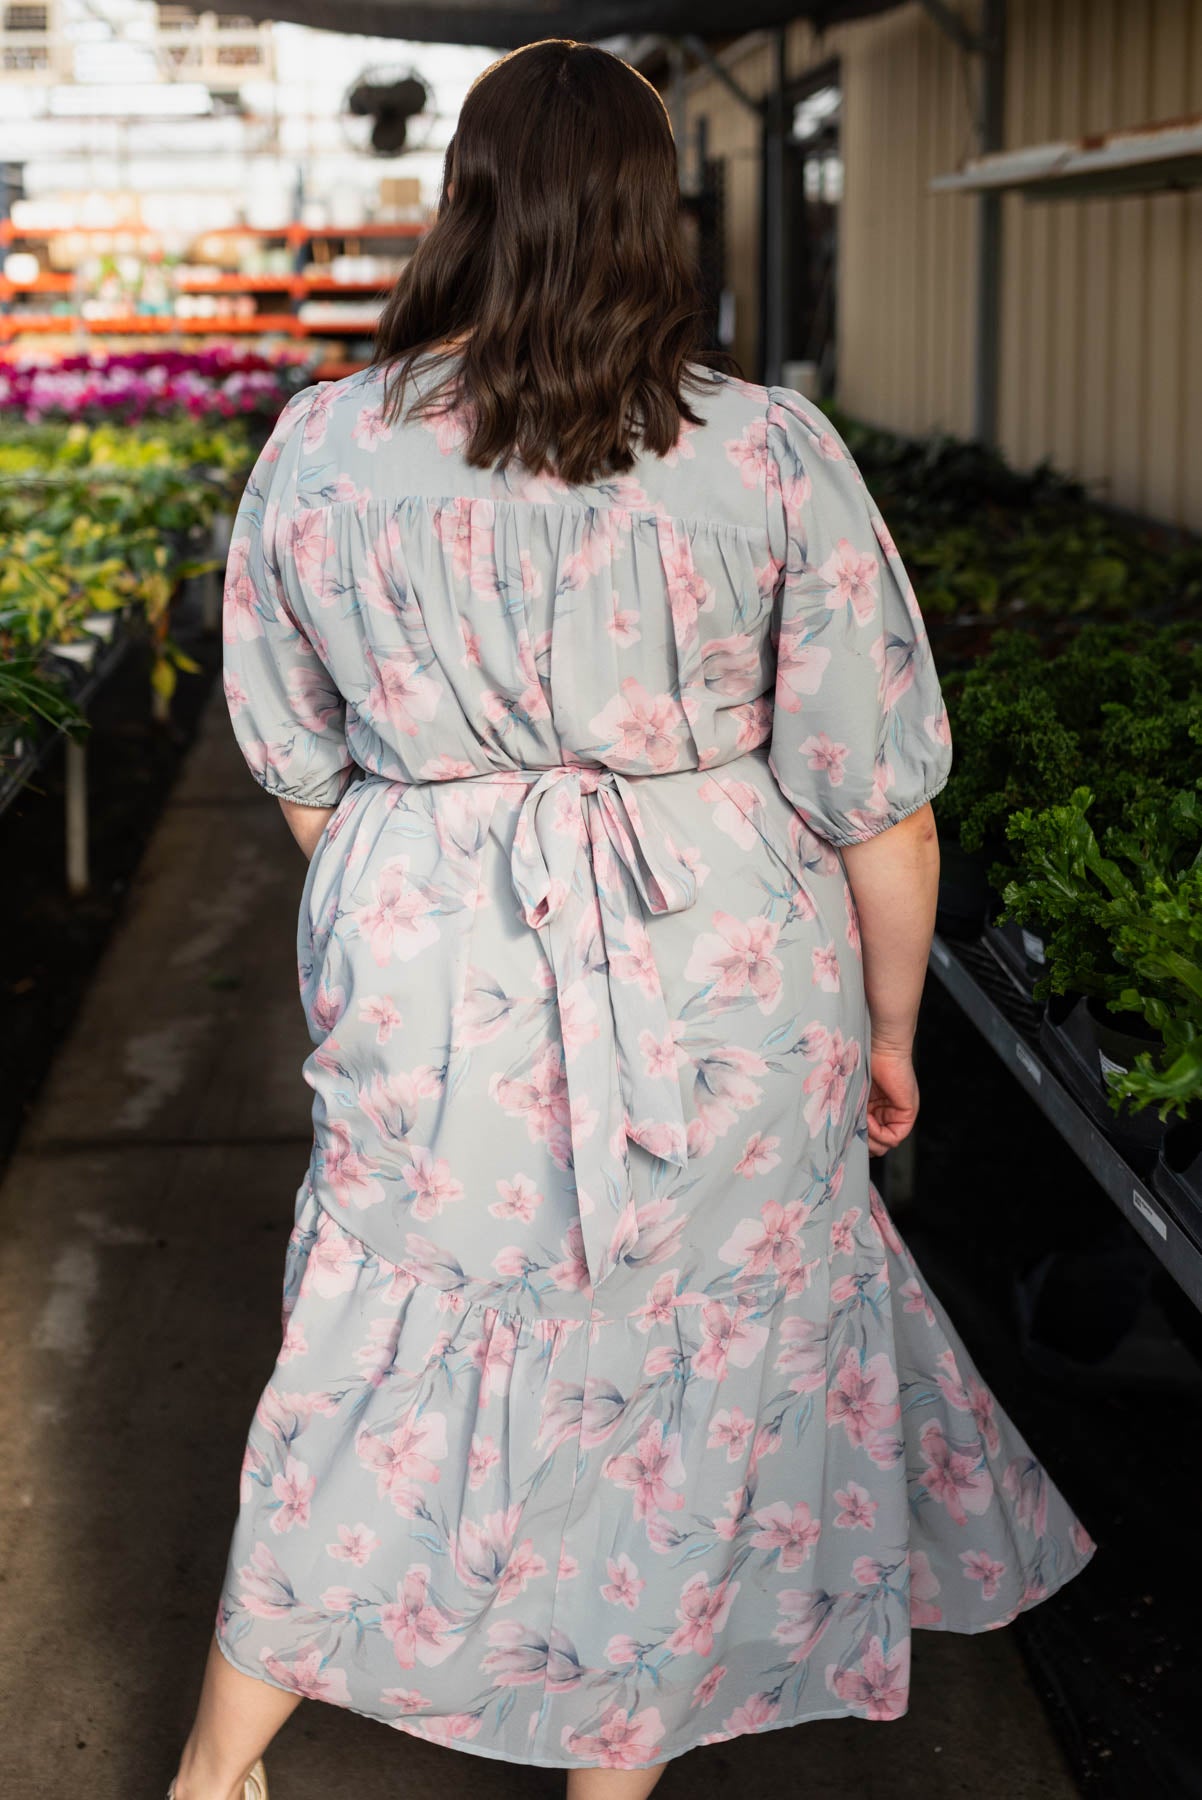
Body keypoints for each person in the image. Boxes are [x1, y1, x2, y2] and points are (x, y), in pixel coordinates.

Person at [169, 37, 1096, 1800]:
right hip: (725, 981)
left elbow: (294, 757)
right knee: (700, 1374)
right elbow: (876, 797)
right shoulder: (760, 451)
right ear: (646, 215)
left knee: (377, 1347)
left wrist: (422, 903)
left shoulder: (324, 447)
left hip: (430, 974)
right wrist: (893, 1031)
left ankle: (215, 1771)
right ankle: (614, 1773)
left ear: (467, 204)